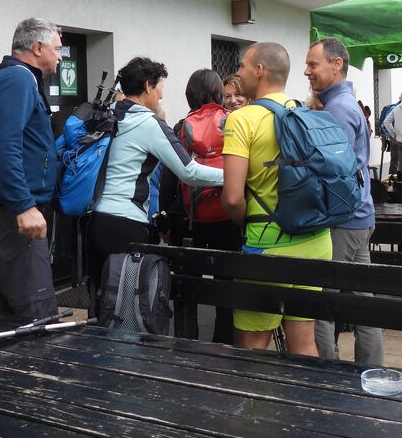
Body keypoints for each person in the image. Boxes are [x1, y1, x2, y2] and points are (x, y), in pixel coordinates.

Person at [222, 42, 332, 356]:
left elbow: (232, 197)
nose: (239, 72)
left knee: (252, 345)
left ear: (259, 70)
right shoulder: (306, 113)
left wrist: (242, 220)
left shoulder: (242, 119)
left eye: (242, 65)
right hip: (316, 240)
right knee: (303, 340)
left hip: (268, 244)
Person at [88, 57, 223, 286]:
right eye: (160, 87)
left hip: (94, 218)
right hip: (126, 222)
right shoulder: (148, 123)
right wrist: (232, 177)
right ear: (147, 86)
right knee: (128, 300)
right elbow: (189, 173)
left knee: (102, 296)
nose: (161, 96)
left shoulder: (107, 114)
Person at [0, 18, 62, 320]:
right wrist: (23, 205)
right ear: (37, 48)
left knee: (4, 322)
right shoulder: (18, 79)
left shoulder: (14, 78)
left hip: (3, 215)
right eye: (57, 49)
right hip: (10, 218)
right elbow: (4, 144)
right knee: (38, 319)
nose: (60, 57)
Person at [304, 38, 383, 365]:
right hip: (358, 217)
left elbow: (332, 171)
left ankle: (326, 373)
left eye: (313, 64)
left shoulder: (338, 108)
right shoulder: (344, 103)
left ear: (336, 65)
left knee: (321, 304)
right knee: (364, 304)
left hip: (344, 220)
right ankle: (370, 370)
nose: (307, 71)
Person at [158, 69, 241, 343]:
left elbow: (170, 177)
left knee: (186, 288)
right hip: (227, 218)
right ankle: (223, 345)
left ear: (189, 95)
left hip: (188, 220)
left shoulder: (181, 127)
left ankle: (187, 341)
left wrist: (166, 219)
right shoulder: (233, 123)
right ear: (219, 93)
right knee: (226, 287)